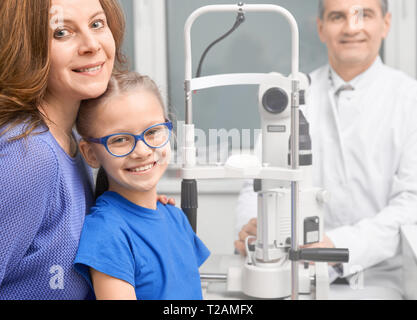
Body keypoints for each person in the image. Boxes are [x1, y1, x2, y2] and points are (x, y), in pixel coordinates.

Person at [235, 0, 417, 299]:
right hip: (292, 273)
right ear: (320, 28)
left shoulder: (410, 101)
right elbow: (257, 181)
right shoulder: (290, 95)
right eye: (337, 16)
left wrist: (337, 243)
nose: (351, 27)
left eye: (365, 15)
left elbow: (411, 203)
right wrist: (254, 229)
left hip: (380, 277)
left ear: (386, 23)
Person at [0, 0, 172, 300]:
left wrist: (132, 203)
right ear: (27, 48)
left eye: (96, 24)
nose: (92, 45)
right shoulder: (28, 156)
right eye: (62, 33)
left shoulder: (69, 140)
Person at [73, 72, 210, 300]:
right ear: (90, 153)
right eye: (119, 140)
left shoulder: (175, 218)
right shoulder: (107, 233)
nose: (143, 151)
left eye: (153, 132)